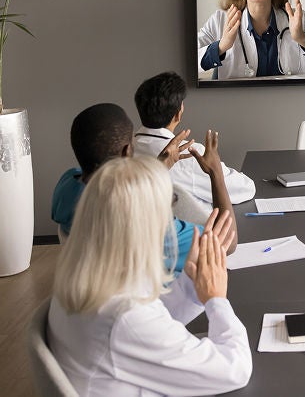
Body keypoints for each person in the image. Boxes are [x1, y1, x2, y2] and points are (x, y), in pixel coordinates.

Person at [48, 155, 253, 394]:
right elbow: (234, 369)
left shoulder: (83, 282)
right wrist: (217, 300)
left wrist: (192, 281)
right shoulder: (125, 319)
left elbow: (155, 317)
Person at [51, 103, 237, 272]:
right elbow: (226, 243)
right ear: (126, 152)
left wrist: (160, 165)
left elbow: (114, 187)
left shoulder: (67, 185)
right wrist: (215, 173)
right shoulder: (146, 224)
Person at [134, 71, 255, 208]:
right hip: (197, 228)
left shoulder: (125, 149)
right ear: (178, 114)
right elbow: (244, 189)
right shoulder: (190, 154)